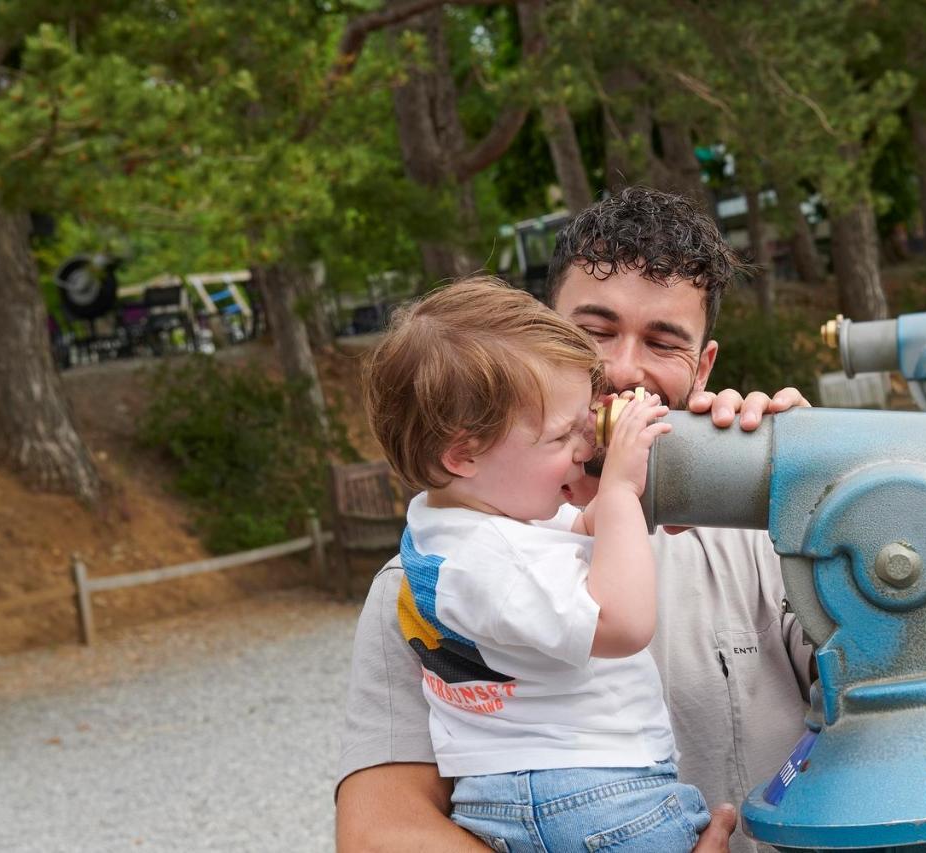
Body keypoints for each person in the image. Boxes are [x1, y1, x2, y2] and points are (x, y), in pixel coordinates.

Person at [337, 187, 813, 853]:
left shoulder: (762, 536)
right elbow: (381, 832)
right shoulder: (425, 579)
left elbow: (894, 709)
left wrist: (816, 485)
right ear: (541, 340)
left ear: (702, 368)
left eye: (663, 340)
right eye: (593, 333)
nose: (621, 370)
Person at [361, 276, 710, 850]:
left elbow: (578, 531)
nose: (583, 447)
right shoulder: (485, 562)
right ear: (463, 454)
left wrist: (641, 478)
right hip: (583, 795)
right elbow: (622, 624)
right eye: (560, 437)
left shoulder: (461, 522)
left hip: (537, 791)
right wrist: (619, 489)